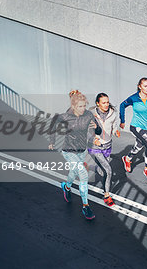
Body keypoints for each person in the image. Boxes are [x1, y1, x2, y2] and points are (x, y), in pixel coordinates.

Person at [48, 90, 102, 220]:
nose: (83, 109)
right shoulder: (66, 116)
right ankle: (85, 206)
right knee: (83, 174)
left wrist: (96, 128)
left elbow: (99, 130)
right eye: (80, 106)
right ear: (73, 106)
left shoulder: (88, 114)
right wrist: (52, 141)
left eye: (84, 105)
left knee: (73, 171)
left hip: (81, 150)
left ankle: (66, 187)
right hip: (68, 151)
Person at [119, 77, 147, 181]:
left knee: (139, 146)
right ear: (140, 87)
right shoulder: (134, 98)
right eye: (145, 86)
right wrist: (122, 120)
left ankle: (127, 158)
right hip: (136, 126)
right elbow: (122, 105)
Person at [88, 93, 120, 206]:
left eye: (107, 102)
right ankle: (107, 195)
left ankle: (90, 167)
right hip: (95, 146)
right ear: (98, 103)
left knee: (102, 172)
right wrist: (93, 140)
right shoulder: (91, 114)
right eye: (103, 103)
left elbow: (114, 123)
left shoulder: (113, 113)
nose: (106, 105)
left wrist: (116, 130)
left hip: (108, 145)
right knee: (108, 170)